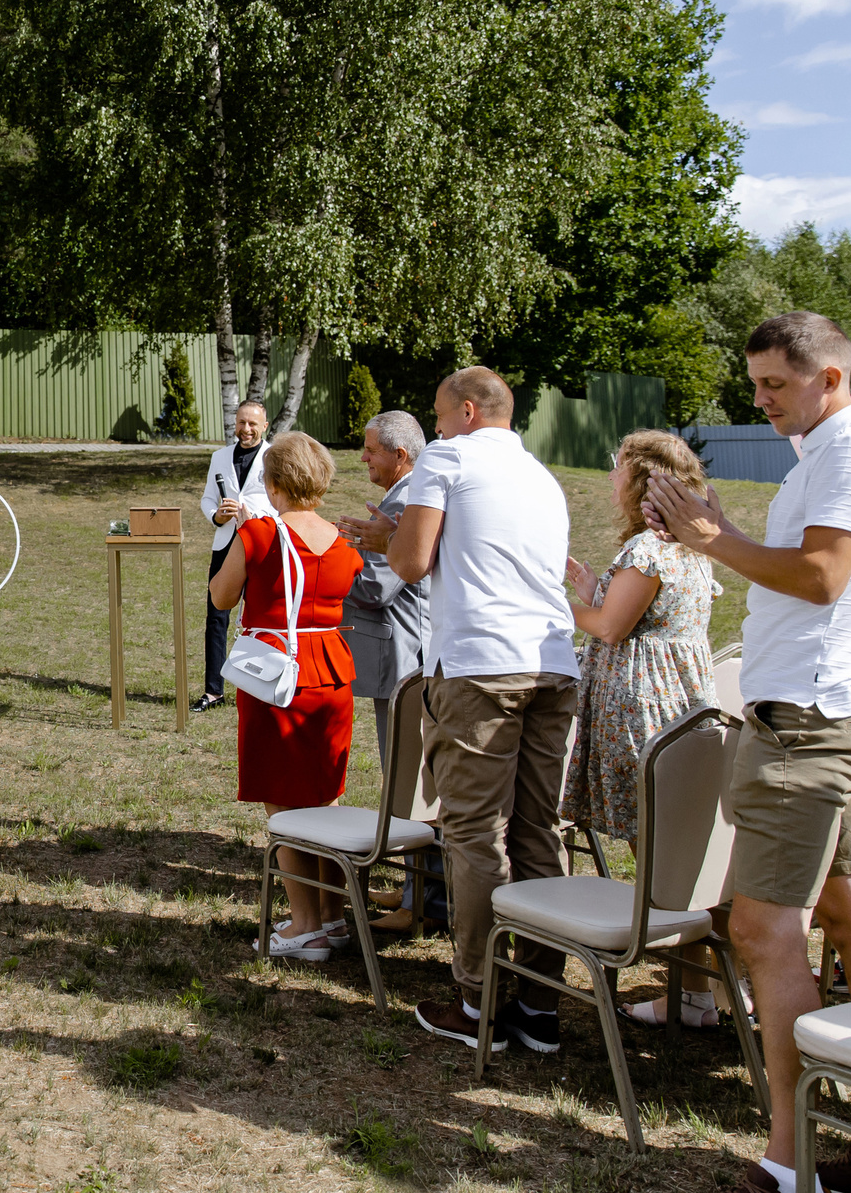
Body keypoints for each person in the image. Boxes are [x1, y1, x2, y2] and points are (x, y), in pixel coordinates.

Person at [644, 312, 851, 1193]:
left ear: (830, 377)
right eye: (756, 382)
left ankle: (789, 1175)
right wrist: (706, 534)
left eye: (774, 383)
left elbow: (819, 576)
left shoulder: (848, 455)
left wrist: (712, 535)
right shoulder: (834, 451)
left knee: (764, 927)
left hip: (808, 724)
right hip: (839, 711)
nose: (758, 399)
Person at [348, 366, 579, 1057]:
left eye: (441, 415)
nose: (437, 426)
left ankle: (477, 994)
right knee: (540, 829)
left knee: (475, 831)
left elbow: (414, 562)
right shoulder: (542, 474)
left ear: (469, 411)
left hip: (481, 664)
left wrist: (380, 538)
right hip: (553, 662)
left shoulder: (448, 455)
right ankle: (538, 1000)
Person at [560, 429, 724, 1029]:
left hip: (641, 708)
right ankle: (708, 991)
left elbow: (609, 628)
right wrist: (590, 587)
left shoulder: (648, 552)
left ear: (641, 482)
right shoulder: (689, 547)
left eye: (617, 469)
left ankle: (693, 995)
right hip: (680, 698)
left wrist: (562, 607)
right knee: (682, 850)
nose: (609, 480)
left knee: (656, 853)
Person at [211, 431, 364, 959]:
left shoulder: (259, 532)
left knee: (284, 804)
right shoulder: (344, 541)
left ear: (272, 483)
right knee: (326, 797)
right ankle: (332, 916)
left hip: (277, 674)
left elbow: (222, 595)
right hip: (332, 671)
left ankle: (304, 925)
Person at [338, 410, 429, 772]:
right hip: (405, 652)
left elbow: (374, 588)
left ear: (400, 455)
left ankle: (418, 831)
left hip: (402, 655)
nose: (362, 458)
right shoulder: (408, 496)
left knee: (405, 769)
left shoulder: (404, 504)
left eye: (371, 450)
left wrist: (328, 567)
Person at [195, 400, 277, 713]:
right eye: (241, 422)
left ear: (265, 425)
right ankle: (213, 691)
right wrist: (217, 516)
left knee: (260, 617)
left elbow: (280, 501)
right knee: (216, 617)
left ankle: (259, 686)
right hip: (226, 544)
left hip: (262, 544)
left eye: (253, 424)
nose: (246, 429)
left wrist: (253, 515)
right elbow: (206, 499)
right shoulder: (219, 457)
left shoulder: (274, 457)